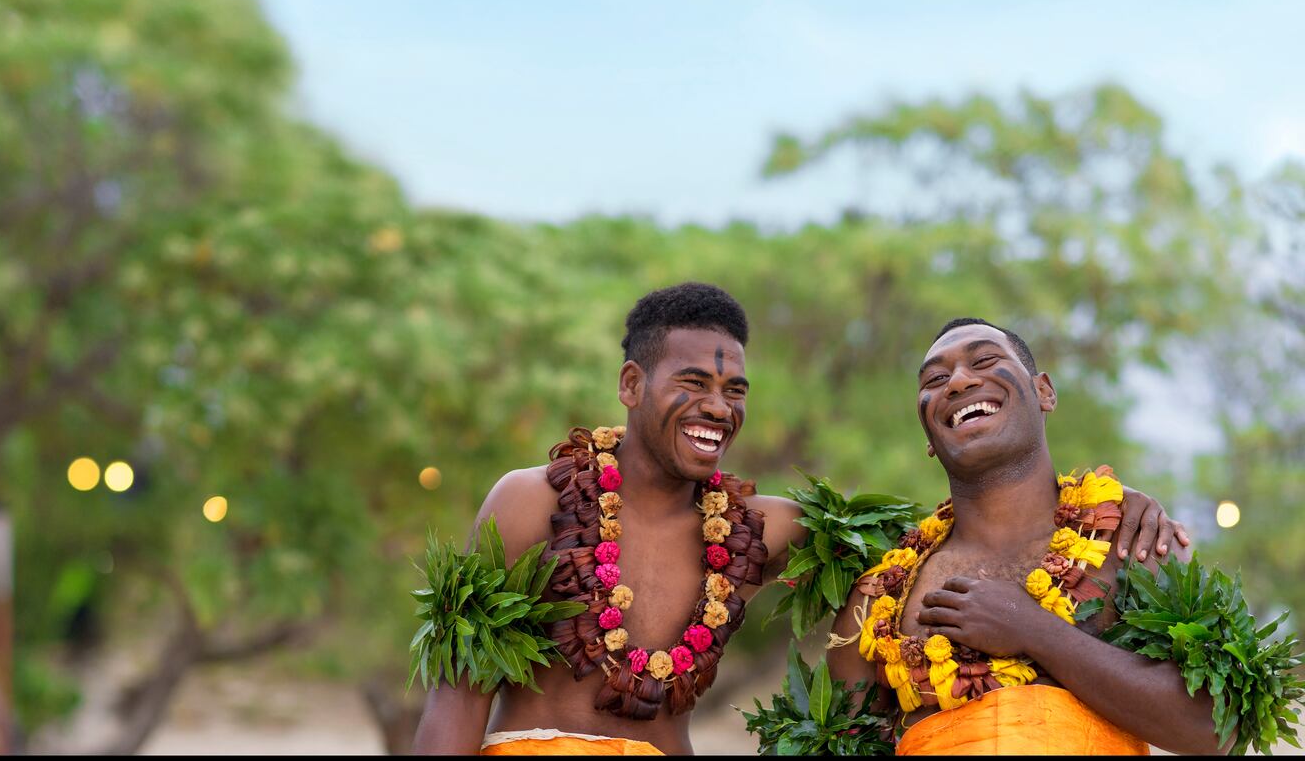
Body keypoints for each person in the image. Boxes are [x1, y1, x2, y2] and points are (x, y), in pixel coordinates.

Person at [411, 288, 1186, 755]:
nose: (718, 405)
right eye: (693, 381)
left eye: (735, 388)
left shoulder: (767, 528)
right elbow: (454, 703)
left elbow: (955, 537)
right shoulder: (530, 501)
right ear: (631, 383)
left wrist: (1114, 509)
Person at [827, 317, 1217, 755]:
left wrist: (1033, 630)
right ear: (929, 436)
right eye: (936, 378)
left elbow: (1215, 730)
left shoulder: (1133, 541)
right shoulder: (878, 601)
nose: (957, 381)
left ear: (1044, 392)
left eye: (985, 359)